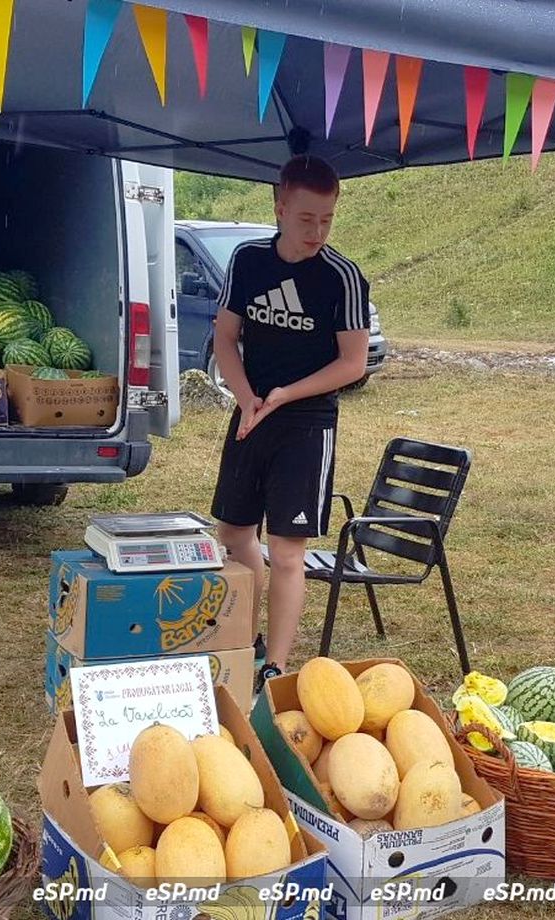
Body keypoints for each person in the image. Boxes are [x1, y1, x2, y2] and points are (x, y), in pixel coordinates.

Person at [208, 154, 371, 691]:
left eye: (326, 220)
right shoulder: (248, 261)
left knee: (287, 549)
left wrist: (283, 396)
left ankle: (275, 667)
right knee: (233, 533)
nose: (317, 232)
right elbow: (224, 338)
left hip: (307, 422)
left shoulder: (343, 277)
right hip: (252, 411)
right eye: (306, 220)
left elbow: (351, 363)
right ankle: (248, 640)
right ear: (279, 209)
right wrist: (249, 396)